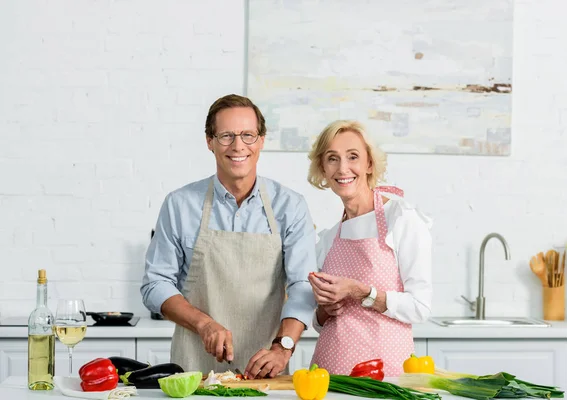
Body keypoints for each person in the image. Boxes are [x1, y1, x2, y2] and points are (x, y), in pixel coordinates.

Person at [141, 94, 317, 378]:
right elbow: (155, 284)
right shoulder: (179, 204)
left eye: (248, 135)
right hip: (193, 370)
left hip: (266, 369)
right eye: (226, 136)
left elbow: (302, 285)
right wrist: (204, 324)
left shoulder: (291, 206)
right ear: (209, 141)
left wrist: (283, 347)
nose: (238, 146)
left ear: (261, 140)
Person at [306, 120, 433, 376]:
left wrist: (361, 291)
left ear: (369, 164)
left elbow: (421, 307)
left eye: (353, 156)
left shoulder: (401, 218)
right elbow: (323, 323)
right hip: (328, 377)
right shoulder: (329, 237)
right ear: (323, 168)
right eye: (332, 158)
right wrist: (323, 312)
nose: (343, 168)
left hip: (385, 377)